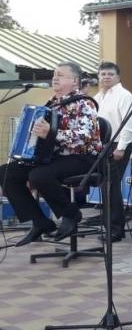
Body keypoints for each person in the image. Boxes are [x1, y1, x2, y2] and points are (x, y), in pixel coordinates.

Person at [0, 62, 102, 246]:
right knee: (7, 172)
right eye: (55, 74)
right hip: (56, 158)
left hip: (83, 158)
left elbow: (84, 138)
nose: (55, 77)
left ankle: (71, 215)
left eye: (61, 75)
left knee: (39, 175)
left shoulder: (84, 103)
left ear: (75, 81)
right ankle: (41, 223)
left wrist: (52, 133)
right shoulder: (52, 104)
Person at [94, 61, 132, 242]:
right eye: (103, 74)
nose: (106, 77)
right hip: (101, 145)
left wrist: (121, 148)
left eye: (110, 74)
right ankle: (108, 226)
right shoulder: (97, 97)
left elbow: (128, 124)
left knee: (111, 186)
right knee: (105, 186)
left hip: (118, 145)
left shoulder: (124, 96)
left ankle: (116, 230)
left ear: (118, 77)